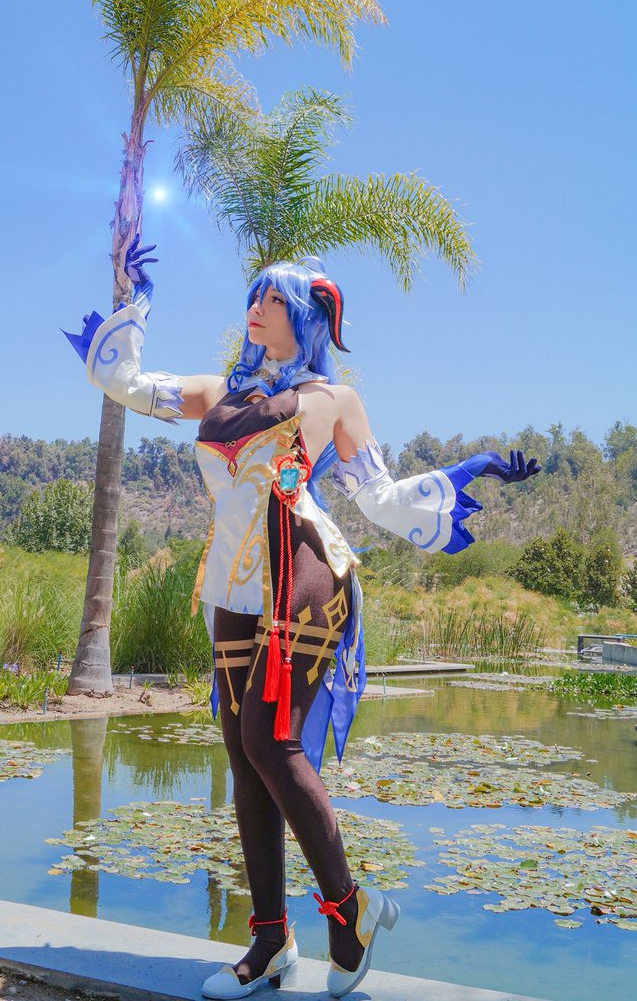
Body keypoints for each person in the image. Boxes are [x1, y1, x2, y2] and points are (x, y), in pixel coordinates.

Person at [64, 238, 541, 999]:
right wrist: (134, 298)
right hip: (232, 584)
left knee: (267, 737)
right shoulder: (218, 393)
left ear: (306, 315)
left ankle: (348, 910)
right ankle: (270, 942)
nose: (255, 309)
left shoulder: (332, 399)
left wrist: (468, 470)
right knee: (242, 751)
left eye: (272, 299)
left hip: (306, 572)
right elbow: (122, 382)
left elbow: (378, 497)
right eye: (253, 297)